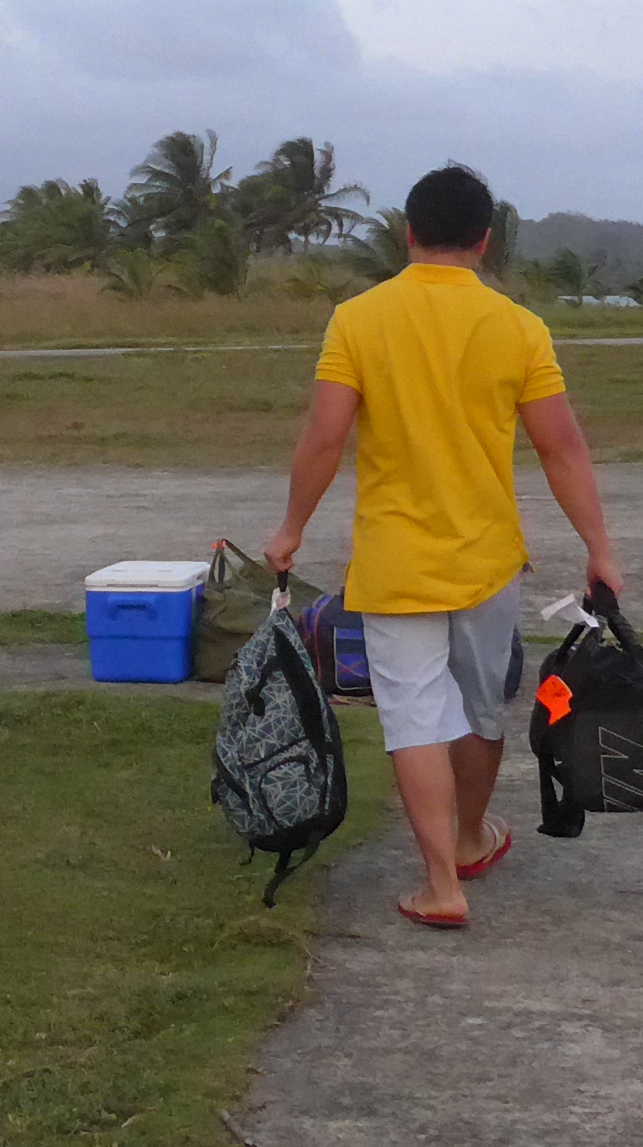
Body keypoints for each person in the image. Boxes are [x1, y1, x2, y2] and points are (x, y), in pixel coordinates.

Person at [262, 163, 622, 931]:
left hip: (394, 563)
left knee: (413, 717)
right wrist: (599, 547)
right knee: (481, 707)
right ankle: (467, 838)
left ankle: (438, 883)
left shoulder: (357, 319)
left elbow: (325, 436)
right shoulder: (518, 327)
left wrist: (291, 529)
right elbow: (563, 447)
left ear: (408, 232)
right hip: (487, 559)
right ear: (486, 241)